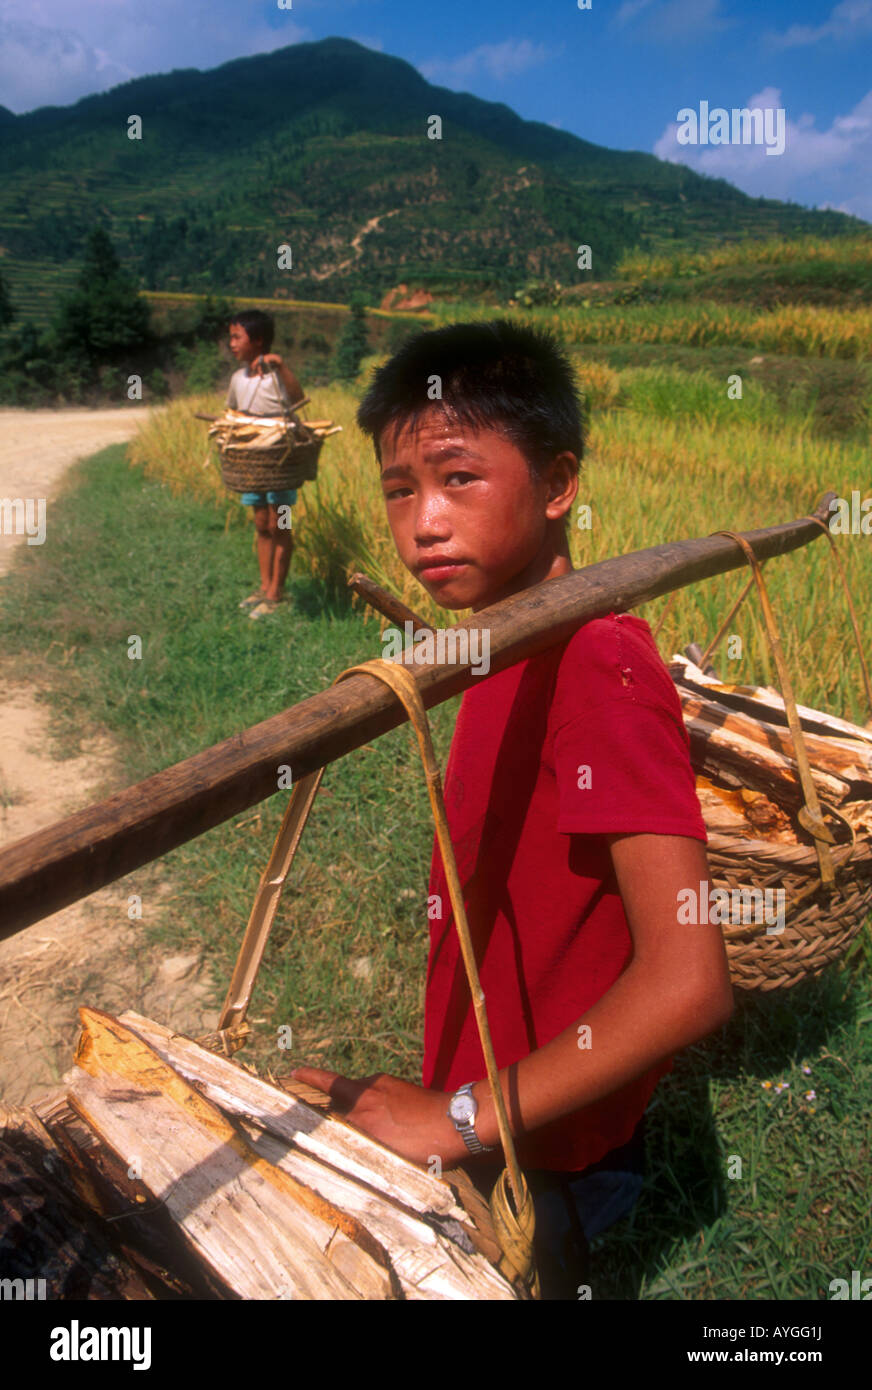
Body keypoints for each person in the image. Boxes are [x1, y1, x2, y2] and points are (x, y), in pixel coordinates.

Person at [290, 320, 734, 1298]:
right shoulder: (492, 639)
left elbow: (688, 977)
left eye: (457, 478)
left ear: (558, 482)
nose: (421, 523)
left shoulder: (598, 660)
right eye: (398, 488)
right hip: (491, 1097)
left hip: (549, 1148)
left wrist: (455, 1118)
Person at [226, 309, 305, 620]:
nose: (231, 344)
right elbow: (232, 413)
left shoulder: (277, 376)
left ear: (257, 340)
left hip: (280, 459)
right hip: (252, 463)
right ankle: (264, 586)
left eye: (236, 337)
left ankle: (276, 593)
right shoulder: (238, 378)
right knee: (261, 523)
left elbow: (298, 400)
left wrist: (281, 366)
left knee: (280, 523)